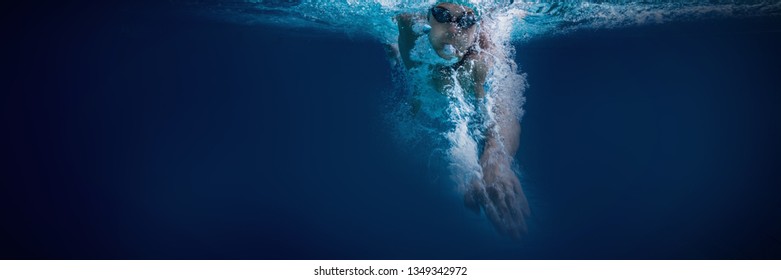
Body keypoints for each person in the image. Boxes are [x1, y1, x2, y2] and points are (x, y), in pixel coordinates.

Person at [392, 2, 530, 238]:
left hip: (473, 61)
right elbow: (417, 89)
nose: (454, 29)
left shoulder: (486, 49)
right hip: (416, 54)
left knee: (471, 73)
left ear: (477, 24)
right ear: (429, 15)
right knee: (417, 81)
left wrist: (496, 159)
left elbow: (504, 108)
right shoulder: (410, 25)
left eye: (466, 21)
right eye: (442, 15)